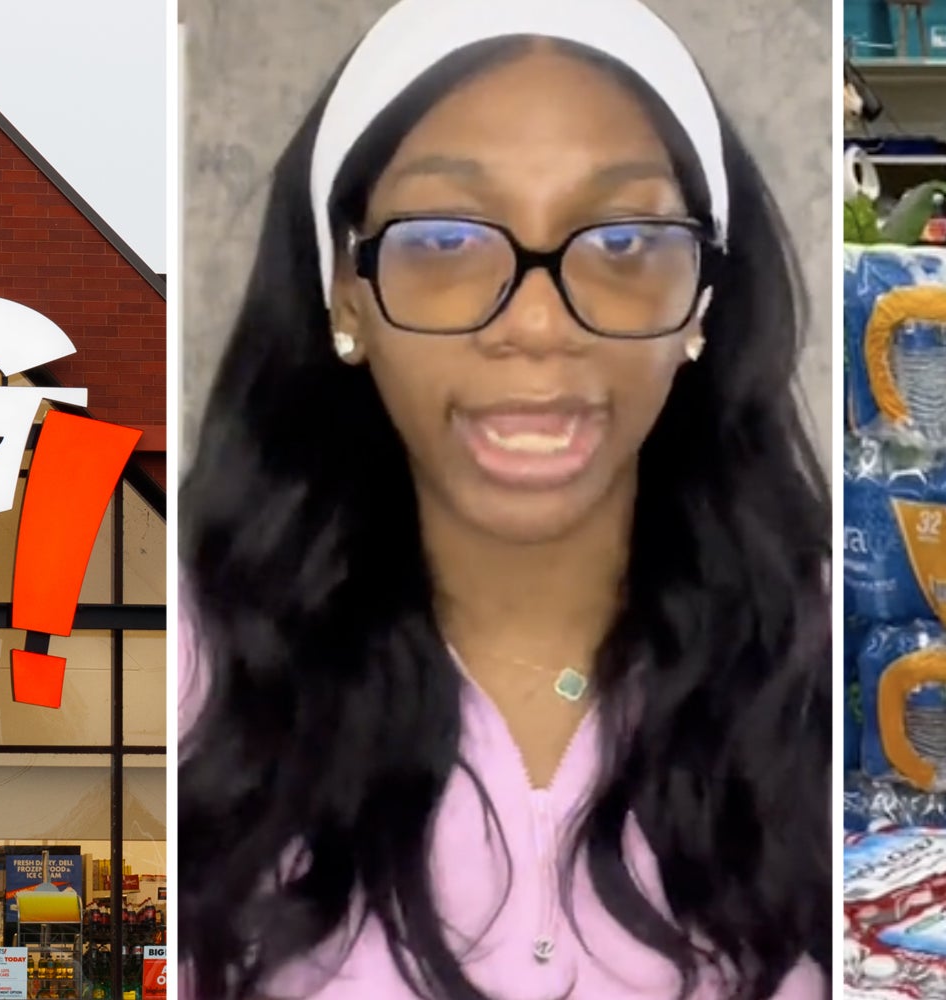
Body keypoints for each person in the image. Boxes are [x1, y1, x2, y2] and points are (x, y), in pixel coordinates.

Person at [177, 1, 831, 998]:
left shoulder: (833, 655)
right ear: (344, 293)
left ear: (699, 302)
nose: (534, 324)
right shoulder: (169, 663)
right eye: (443, 239)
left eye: (621, 241)